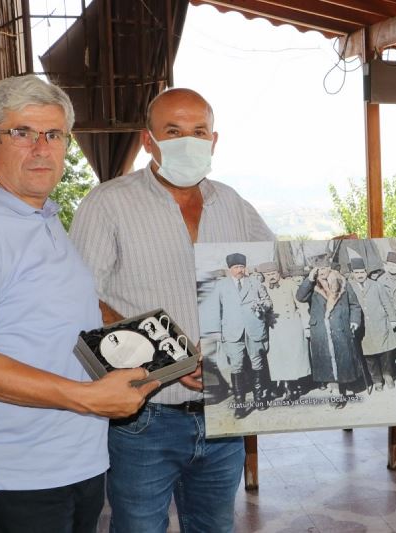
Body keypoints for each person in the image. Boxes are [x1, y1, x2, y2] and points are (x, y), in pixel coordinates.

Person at [0, 75, 157, 532]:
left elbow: (69, 312)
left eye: (53, 135)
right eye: (22, 133)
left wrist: (160, 349)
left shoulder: (41, 217)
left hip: (73, 463)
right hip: (14, 477)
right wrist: (88, 399)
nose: (41, 148)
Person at [69, 88, 274, 533]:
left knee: (215, 527)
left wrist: (355, 250)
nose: (189, 140)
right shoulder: (108, 203)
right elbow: (80, 299)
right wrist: (168, 360)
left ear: (214, 140)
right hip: (146, 415)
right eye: (173, 131)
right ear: (148, 141)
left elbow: (281, 273)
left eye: (198, 131)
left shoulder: (233, 204)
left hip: (224, 415)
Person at [205, 253, 272, 418]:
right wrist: (218, 333)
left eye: (241, 267)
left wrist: (262, 306)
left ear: (245, 267)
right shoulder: (221, 286)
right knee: (236, 366)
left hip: (254, 329)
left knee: (257, 363)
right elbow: (214, 311)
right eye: (236, 267)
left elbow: (268, 302)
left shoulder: (254, 283)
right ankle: (240, 404)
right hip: (232, 332)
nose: (239, 270)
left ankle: (258, 398)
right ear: (230, 269)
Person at [296, 258, 363, 409]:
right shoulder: (311, 285)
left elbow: (355, 305)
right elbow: (300, 297)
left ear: (330, 267)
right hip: (321, 330)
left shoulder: (342, 282)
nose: (323, 271)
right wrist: (309, 279)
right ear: (315, 270)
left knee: (341, 359)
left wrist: (354, 321)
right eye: (319, 269)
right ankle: (335, 392)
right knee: (327, 360)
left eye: (325, 267)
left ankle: (343, 386)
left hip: (340, 327)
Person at [259, 262, 311, 401]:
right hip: (274, 329)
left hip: (292, 325)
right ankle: (282, 385)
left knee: (292, 358)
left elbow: (301, 305)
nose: (271, 277)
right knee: (277, 359)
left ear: (279, 273)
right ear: (264, 276)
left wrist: (306, 326)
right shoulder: (261, 288)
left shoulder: (290, 284)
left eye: (273, 274)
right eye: (267, 275)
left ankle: (292, 388)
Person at [348, 257, 396, 391]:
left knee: (386, 352)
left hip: (380, 323)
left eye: (362, 272)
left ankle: (387, 375)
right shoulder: (349, 287)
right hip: (363, 328)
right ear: (352, 273)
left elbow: (387, 303)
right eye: (357, 272)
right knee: (369, 355)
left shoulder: (376, 285)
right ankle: (377, 380)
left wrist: (393, 319)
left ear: (366, 272)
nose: (360, 275)